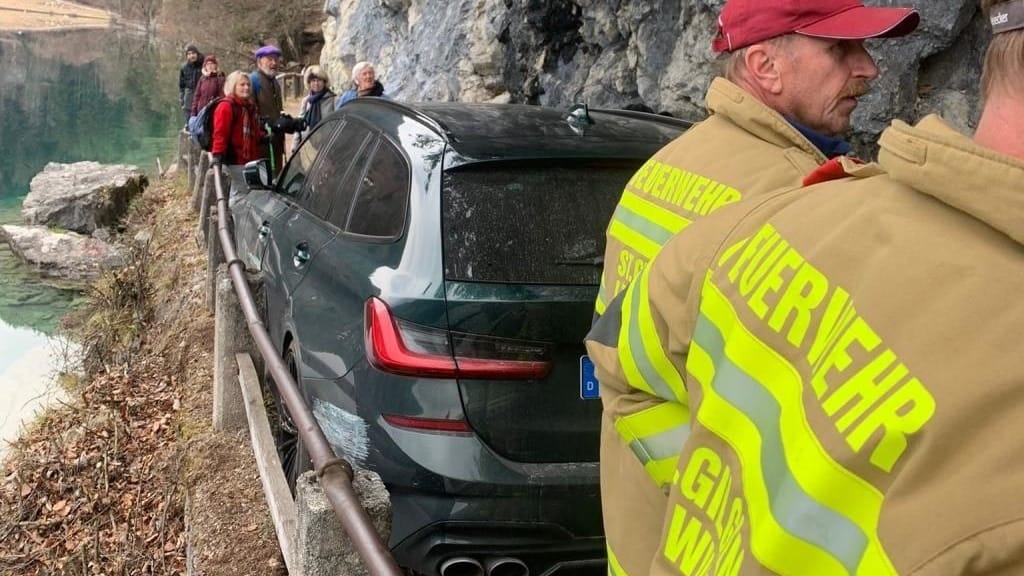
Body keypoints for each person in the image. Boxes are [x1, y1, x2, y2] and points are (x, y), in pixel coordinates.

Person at [587, 0, 1024, 573]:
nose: (869, 68)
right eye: (840, 49)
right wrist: (720, 491)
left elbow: (614, 356)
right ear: (765, 66)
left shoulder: (671, 162)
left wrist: (698, 492)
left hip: (656, 532)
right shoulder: (789, 195)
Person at [210, 71, 266, 210]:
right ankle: (234, 223)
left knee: (249, 191)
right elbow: (220, 133)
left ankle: (240, 220)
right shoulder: (226, 106)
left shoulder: (247, 106)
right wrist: (217, 154)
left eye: (248, 85)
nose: (246, 88)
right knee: (240, 193)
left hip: (250, 158)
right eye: (242, 85)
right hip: (236, 159)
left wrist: (263, 136)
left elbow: (252, 130)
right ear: (233, 86)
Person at [250, 45, 285, 175]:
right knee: (264, 177)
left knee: (277, 174)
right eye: (269, 59)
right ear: (259, 62)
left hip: (276, 139)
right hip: (261, 142)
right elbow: (248, 113)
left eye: (276, 60)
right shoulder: (253, 81)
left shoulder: (274, 82)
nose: (274, 63)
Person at [291, 65, 336, 154]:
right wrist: (294, 147)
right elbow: (299, 123)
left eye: (319, 80)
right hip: (307, 146)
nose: (316, 84)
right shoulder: (306, 101)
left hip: (327, 147)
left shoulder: (333, 99)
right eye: (313, 81)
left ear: (324, 81)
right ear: (309, 83)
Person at [190, 55, 225, 119]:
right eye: (207, 64)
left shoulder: (220, 78)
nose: (210, 66)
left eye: (212, 63)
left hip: (213, 112)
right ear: (205, 66)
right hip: (200, 111)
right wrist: (193, 112)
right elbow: (197, 96)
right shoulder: (202, 79)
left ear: (215, 65)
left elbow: (222, 96)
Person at [179, 44, 203, 128]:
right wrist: (182, 100)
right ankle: (188, 127)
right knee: (188, 112)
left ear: (197, 54)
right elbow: (182, 85)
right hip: (189, 93)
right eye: (188, 54)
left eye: (193, 53)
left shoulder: (203, 64)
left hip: (201, 93)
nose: (191, 56)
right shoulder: (184, 67)